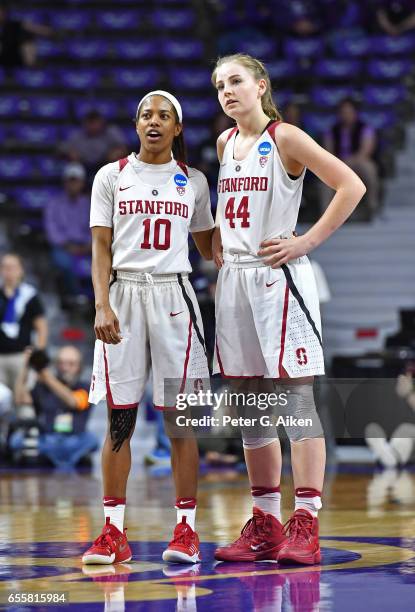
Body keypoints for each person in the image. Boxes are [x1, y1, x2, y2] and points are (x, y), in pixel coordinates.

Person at [211, 54, 365, 565]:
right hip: (234, 280)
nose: (226, 91)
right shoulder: (225, 143)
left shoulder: (286, 138)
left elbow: (351, 185)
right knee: (250, 401)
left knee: (295, 402)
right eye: (219, 85)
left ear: (260, 86)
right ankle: (266, 524)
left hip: (278, 281)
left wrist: (307, 241)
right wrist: (217, 241)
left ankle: (307, 521)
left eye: (235, 81)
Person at [82, 90, 215, 565]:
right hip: (123, 295)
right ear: (136, 125)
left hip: (175, 296)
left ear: (178, 128)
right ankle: (113, 533)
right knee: (121, 417)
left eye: (164, 116)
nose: (153, 122)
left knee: (180, 421)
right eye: (145, 114)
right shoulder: (111, 177)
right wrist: (102, 304)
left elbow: (209, 248)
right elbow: (101, 248)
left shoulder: (194, 182)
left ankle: (186, 531)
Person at [12, 345, 97, 469]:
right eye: (61, 363)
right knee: (16, 440)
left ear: (80, 367)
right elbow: (19, 399)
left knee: (92, 440)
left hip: (74, 439)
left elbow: (73, 401)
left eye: (71, 364)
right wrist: (26, 365)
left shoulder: (85, 387)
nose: (65, 368)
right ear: (56, 365)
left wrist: (45, 374)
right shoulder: (44, 386)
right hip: (48, 439)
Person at [44, 162, 91, 307]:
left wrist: (90, 244)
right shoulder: (54, 203)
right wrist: (67, 245)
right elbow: (51, 229)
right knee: (65, 264)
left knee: (106, 262)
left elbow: (97, 227)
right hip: (63, 246)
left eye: (76, 181)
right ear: (65, 182)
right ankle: (75, 296)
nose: (73, 185)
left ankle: (97, 299)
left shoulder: (89, 203)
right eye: (70, 181)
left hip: (86, 246)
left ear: (82, 183)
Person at [322, 98, 379, 219]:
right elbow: (328, 152)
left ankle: (372, 207)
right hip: (337, 163)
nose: (346, 115)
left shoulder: (365, 128)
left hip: (357, 161)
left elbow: (365, 151)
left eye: (349, 112)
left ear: (355, 113)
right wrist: (339, 164)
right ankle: (326, 217)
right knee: (324, 177)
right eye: (343, 112)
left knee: (369, 168)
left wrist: (349, 162)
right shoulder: (332, 130)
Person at [0, 253, 47, 390]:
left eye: (12, 267)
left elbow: (41, 327)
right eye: (4, 266)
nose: (8, 270)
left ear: (21, 270)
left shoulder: (30, 295)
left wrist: (38, 354)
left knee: (24, 399)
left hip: (22, 356)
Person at [59, 110, 128, 176]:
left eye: (95, 123)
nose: (93, 126)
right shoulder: (77, 134)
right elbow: (63, 148)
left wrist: (116, 153)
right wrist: (71, 153)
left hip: (105, 163)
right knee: (73, 168)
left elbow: (123, 148)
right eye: (90, 123)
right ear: (85, 123)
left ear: (101, 122)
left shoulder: (111, 132)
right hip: (83, 165)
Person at [0, 1, 53, 70]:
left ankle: (30, 65)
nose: (1, 14)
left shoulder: (15, 25)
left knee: (26, 36)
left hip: (12, 55)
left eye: (2, 11)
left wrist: (50, 32)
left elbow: (41, 30)